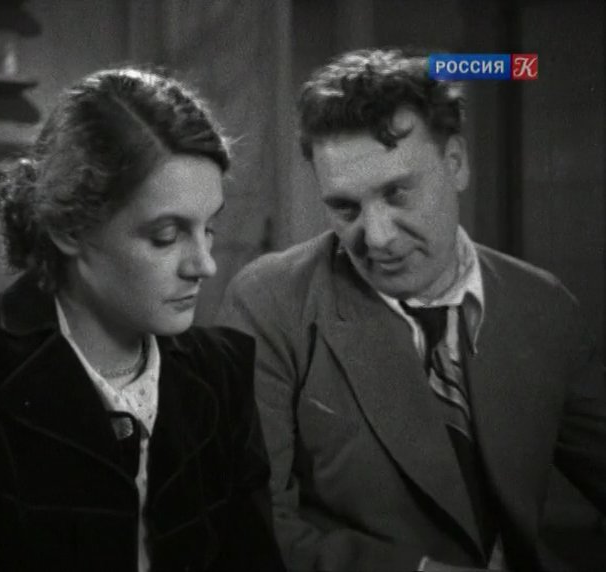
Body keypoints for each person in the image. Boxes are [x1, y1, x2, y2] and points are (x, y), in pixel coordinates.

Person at [0, 67, 285, 572]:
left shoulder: (220, 370)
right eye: (166, 236)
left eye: (209, 229)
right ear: (70, 229)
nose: (204, 265)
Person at [217, 49, 606, 571]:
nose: (377, 238)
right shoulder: (269, 303)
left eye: (398, 192)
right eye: (345, 208)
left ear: (456, 163)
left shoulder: (543, 303)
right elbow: (250, 522)